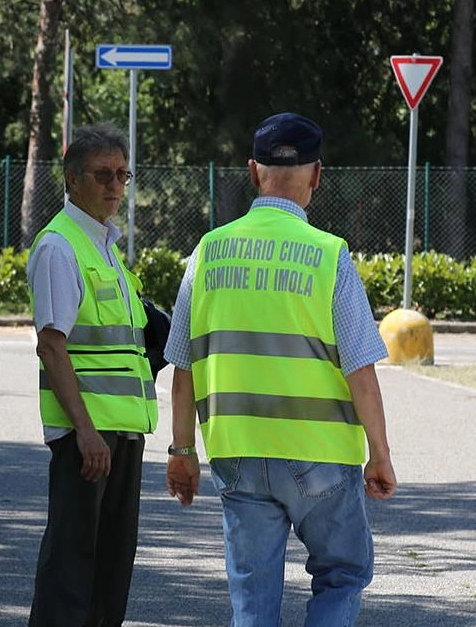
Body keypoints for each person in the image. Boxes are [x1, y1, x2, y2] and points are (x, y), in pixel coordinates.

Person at [164, 112, 398, 626]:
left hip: (238, 453)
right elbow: (361, 368)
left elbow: (184, 366)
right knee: (342, 575)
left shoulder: (207, 253)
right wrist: (379, 454)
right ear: (317, 175)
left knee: (253, 601)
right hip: (321, 457)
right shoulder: (329, 256)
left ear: (252, 171)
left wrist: (182, 451)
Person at [26, 122, 157, 626]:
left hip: (121, 430)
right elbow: (52, 347)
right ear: (71, 178)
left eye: (123, 175)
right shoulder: (60, 246)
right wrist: (84, 431)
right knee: (72, 565)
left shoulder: (104, 247)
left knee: (110, 566)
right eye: (103, 174)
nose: (115, 186)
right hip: (89, 436)